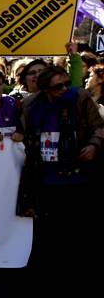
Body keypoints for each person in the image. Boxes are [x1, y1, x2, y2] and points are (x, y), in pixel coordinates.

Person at [18, 64, 103, 267]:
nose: (64, 90)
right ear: (45, 89)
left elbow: (98, 127)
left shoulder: (80, 98)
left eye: (66, 84)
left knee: (78, 223)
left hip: (79, 171)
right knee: (50, 227)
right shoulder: (30, 105)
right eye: (58, 87)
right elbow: (24, 135)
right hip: (46, 174)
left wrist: (93, 145)